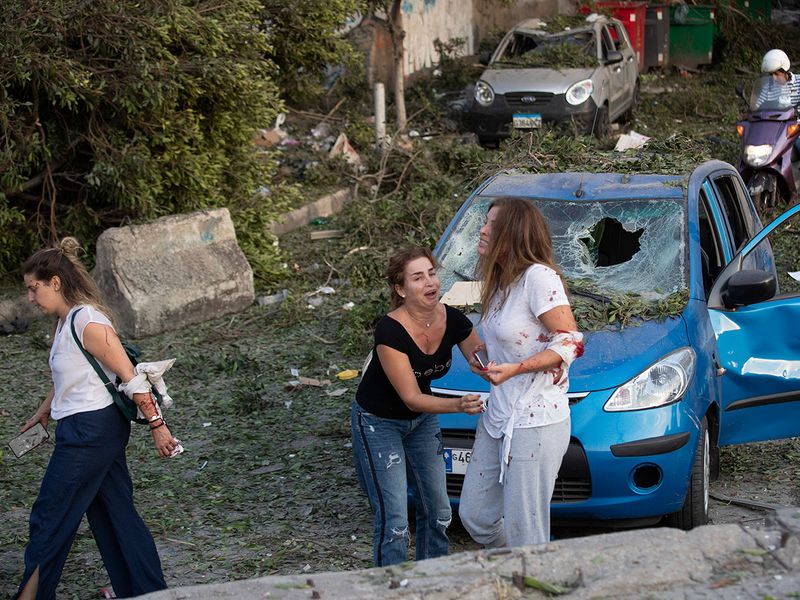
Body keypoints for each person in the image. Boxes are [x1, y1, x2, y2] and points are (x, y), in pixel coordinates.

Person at [15, 237, 176, 600]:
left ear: (55, 282)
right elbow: (71, 375)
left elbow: (129, 376)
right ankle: (148, 592)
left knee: (49, 515)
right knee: (113, 514)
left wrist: (157, 426)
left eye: (33, 288)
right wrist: (44, 412)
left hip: (90, 432)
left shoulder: (87, 319)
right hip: (82, 427)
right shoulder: (64, 322)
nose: (30, 297)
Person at [458, 198, 584, 548]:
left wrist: (517, 369)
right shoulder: (500, 282)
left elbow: (571, 341)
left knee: (525, 531)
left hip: (536, 420)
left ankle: (530, 574)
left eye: (492, 224)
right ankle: (526, 561)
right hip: (499, 415)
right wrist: (482, 357)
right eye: (485, 222)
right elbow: (510, 338)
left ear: (512, 233)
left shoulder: (539, 278)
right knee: (475, 516)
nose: (482, 230)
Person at [351, 246, 486, 566]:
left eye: (432, 273)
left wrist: (496, 362)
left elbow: (483, 359)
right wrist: (458, 405)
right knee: (395, 522)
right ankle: (395, 587)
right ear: (400, 289)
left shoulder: (452, 318)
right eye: (417, 277)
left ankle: (432, 580)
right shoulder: (390, 330)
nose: (430, 283)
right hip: (378, 423)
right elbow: (410, 397)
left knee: (439, 513)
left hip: (422, 421)